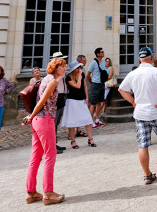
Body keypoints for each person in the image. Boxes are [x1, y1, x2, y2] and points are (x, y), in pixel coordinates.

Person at [118, 46, 157, 185]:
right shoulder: (155, 71)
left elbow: (121, 89)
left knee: (143, 144)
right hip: (155, 111)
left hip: (140, 113)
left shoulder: (133, 73)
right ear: (151, 58)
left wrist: (133, 102)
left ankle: (147, 175)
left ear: (139, 59)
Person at [24, 57, 67, 205]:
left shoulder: (46, 79)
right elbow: (41, 101)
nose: (65, 68)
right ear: (55, 68)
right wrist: (31, 116)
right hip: (45, 120)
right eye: (62, 66)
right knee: (50, 155)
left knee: (35, 157)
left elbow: (59, 77)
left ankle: (31, 192)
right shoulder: (52, 82)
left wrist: (32, 118)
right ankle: (48, 193)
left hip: (38, 122)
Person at [61, 61, 95, 148]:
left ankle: (90, 139)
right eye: (78, 68)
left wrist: (87, 98)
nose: (80, 69)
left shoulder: (82, 75)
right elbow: (78, 86)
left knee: (88, 120)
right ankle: (73, 141)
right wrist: (79, 76)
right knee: (72, 122)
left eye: (80, 67)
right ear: (73, 69)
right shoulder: (68, 78)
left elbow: (84, 86)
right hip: (72, 101)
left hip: (81, 100)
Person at [49, 52, 68, 155]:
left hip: (62, 96)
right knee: (53, 123)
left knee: (56, 123)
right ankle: (52, 146)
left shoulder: (61, 71)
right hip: (57, 97)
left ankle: (54, 143)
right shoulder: (54, 73)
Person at [87, 47, 108, 127]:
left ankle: (97, 120)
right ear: (98, 54)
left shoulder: (103, 61)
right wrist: (92, 82)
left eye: (103, 51)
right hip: (95, 84)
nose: (103, 53)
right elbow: (88, 74)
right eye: (102, 52)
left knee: (99, 102)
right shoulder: (93, 63)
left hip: (101, 84)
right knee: (93, 103)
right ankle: (90, 121)